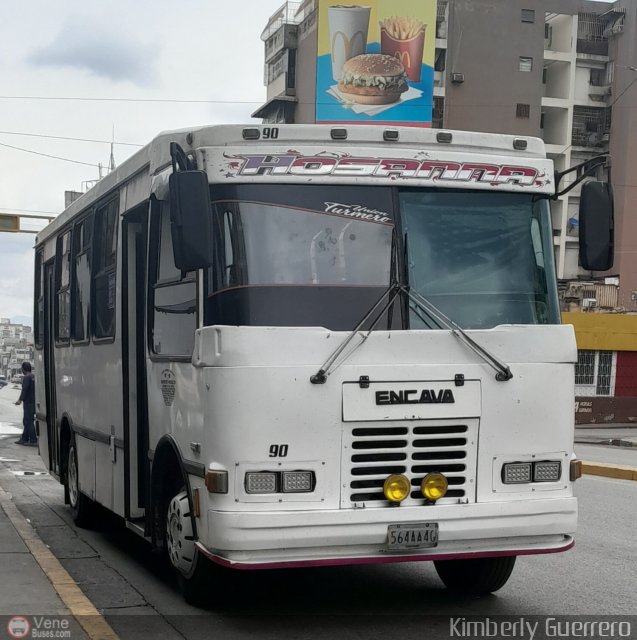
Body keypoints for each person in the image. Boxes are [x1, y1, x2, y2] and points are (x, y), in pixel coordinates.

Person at [14, 361, 36, 446]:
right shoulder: (33, 376)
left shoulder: (26, 377)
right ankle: (24, 438)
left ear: (23, 369)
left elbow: (25, 390)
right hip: (34, 402)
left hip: (28, 403)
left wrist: (20, 400)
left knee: (28, 421)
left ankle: (33, 440)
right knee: (27, 421)